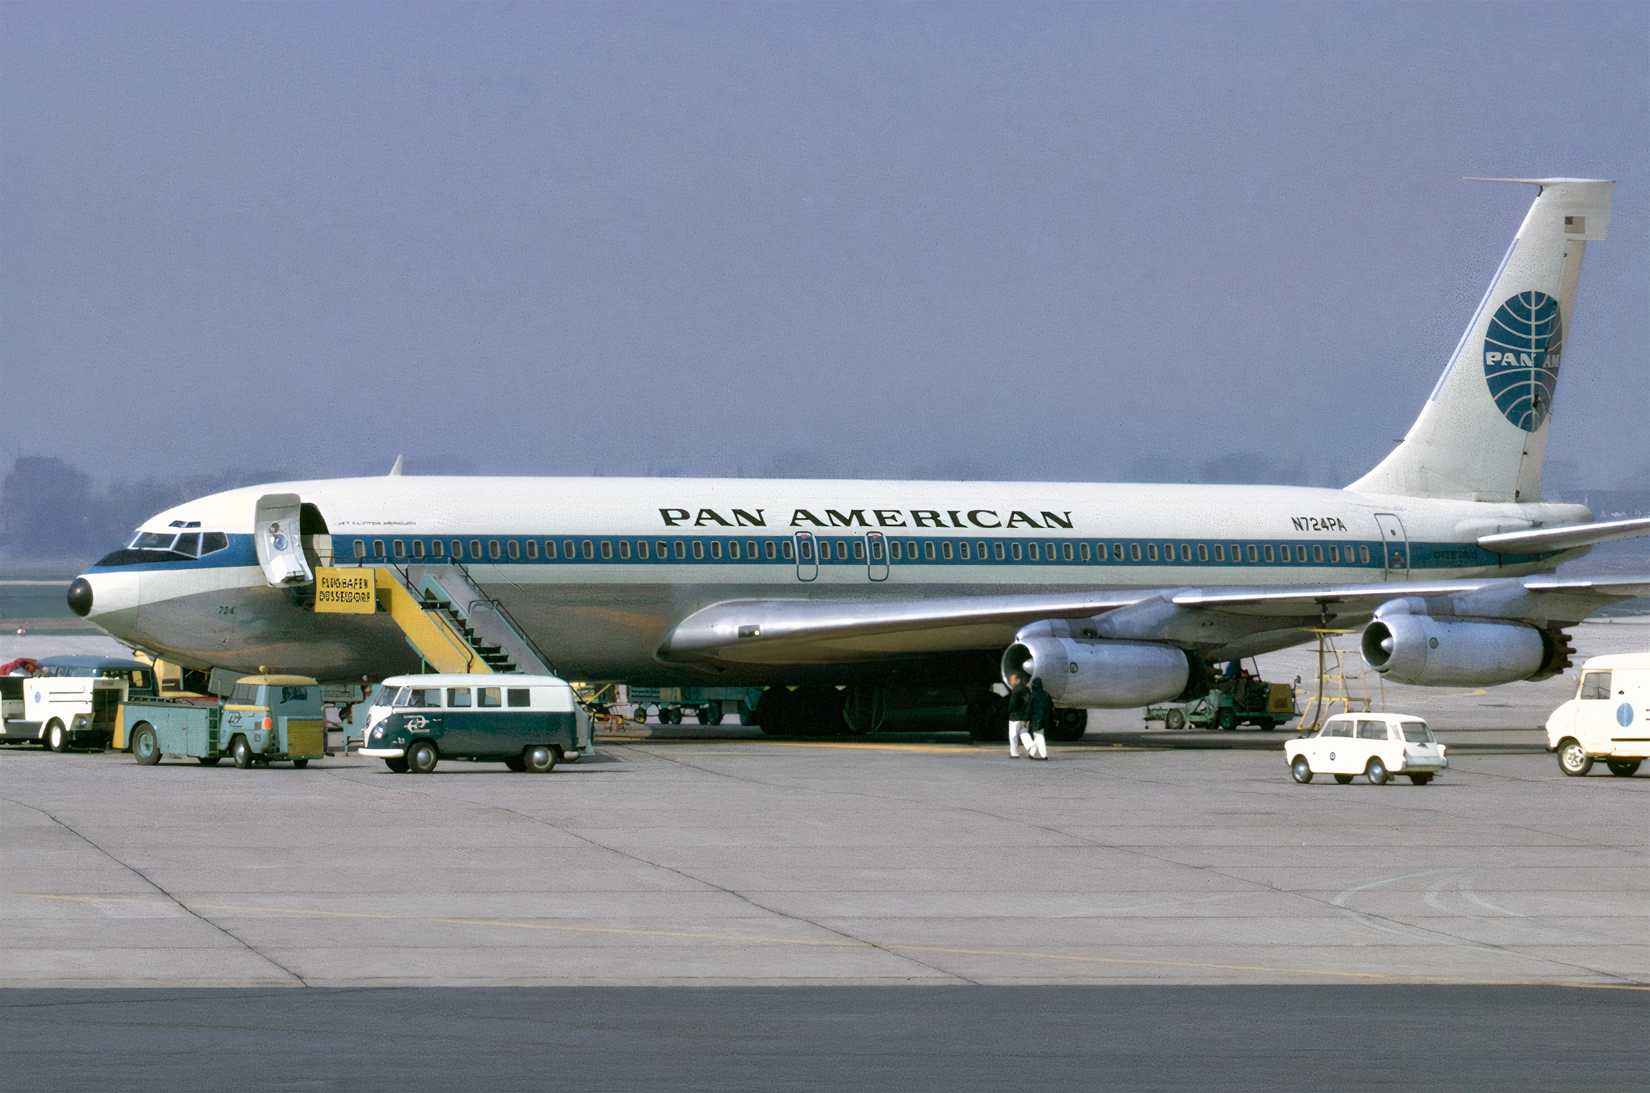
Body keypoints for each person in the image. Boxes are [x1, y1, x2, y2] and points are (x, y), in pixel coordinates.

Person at [1005, 672, 1033, 758]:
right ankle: (1032, 748)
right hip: (1025, 717)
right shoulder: (1027, 690)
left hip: (1015, 717)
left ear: (1017, 680)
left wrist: (1009, 710)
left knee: (1013, 735)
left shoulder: (1016, 690)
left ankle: (1014, 753)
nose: (1010, 682)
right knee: (1024, 733)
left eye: (1012, 680)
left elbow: (1012, 704)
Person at [1027, 677, 1054, 760]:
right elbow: (1051, 706)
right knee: (1038, 735)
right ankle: (1032, 752)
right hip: (1045, 718)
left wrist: (1026, 719)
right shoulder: (1046, 694)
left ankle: (1044, 755)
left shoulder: (1032, 696)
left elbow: (1029, 708)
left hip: (1035, 718)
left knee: (1039, 736)